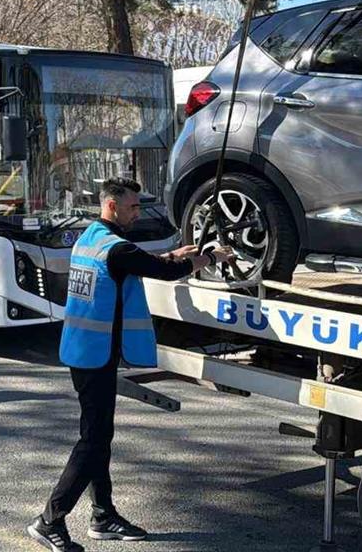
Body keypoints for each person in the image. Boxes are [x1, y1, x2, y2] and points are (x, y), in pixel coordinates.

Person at [27, 178, 233, 552]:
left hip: (83, 350)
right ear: (112, 206)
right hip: (95, 354)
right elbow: (159, 271)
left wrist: (172, 254)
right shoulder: (116, 248)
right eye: (133, 207)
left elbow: (135, 263)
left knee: (98, 436)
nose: (138, 212)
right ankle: (50, 520)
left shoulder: (91, 237)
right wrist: (210, 258)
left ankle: (103, 515)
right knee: (93, 440)